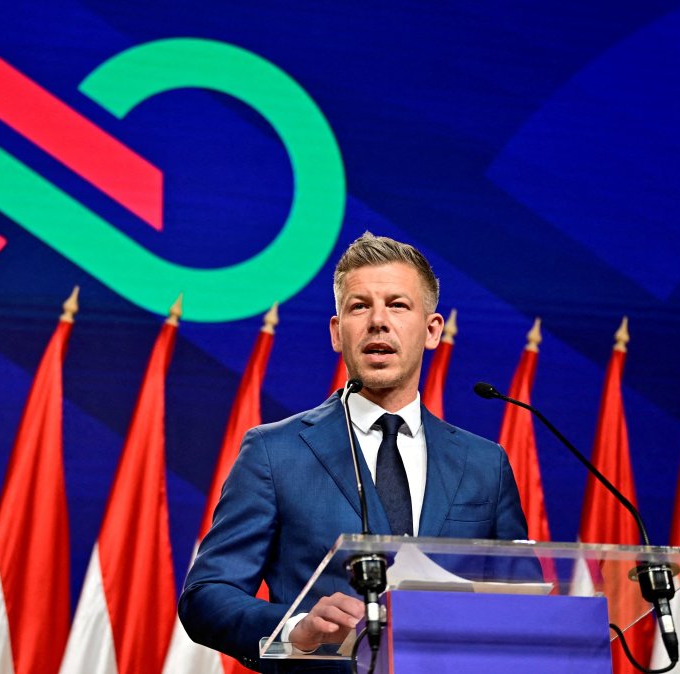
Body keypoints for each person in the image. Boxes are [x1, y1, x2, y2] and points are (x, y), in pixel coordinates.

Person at [178, 233, 528, 671]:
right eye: (359, 306)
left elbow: (523, 600)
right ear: (336, 332)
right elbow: (207, 594)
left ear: (432, 330)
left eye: (398, 305)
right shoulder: (274, 452)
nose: (378, 321)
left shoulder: (484, 464)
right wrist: (295, 629)